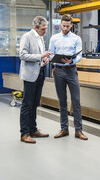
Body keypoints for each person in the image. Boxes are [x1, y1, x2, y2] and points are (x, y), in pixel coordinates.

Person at [49, 14, 88, 140]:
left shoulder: (76, 39)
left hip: (71, 71)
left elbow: (79, 56)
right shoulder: (54, 38)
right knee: (62, 102)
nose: (65, 28)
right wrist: (54, 59)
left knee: (76, 101)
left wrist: (71, 61)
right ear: (60, 24)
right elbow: (50, 54)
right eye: (64, 26)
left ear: (71, 25)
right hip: (58, 71)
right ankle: (64, 129)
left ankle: (78, 130)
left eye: (68, 26)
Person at [19, 16, 53, 144]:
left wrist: (44, 59)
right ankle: (24, 133)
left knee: (35, 103)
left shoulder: (40, 38)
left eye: (46, 29)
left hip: (40, 72)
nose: (45, 31)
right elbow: (22, 55)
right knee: (27, 104)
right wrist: (40, 56)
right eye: (43, 29)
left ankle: (33, 130)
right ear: (35, 27)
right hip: (30, 75)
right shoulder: (27, 37)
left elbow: (40, 55)